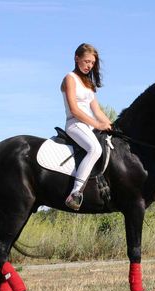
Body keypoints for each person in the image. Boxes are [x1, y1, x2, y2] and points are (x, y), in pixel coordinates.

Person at [61, 43, 112, 210]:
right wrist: (98, 124)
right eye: (87, 61)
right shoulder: (70, 77)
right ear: (77, 59)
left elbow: (97, 111)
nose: (89, 65)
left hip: (88, 126)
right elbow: (75, 110)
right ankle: (75, 193)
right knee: (95, 149)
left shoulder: (89, 84)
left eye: (92, 63)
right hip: (74, 124)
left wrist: (111, 125)